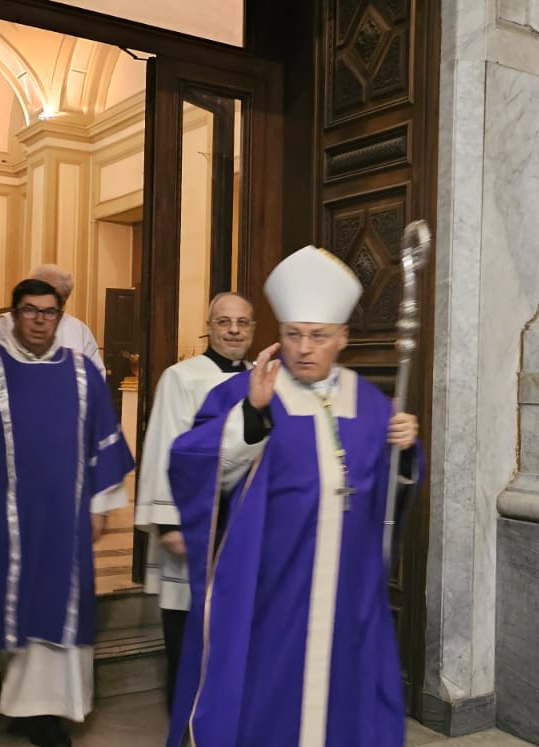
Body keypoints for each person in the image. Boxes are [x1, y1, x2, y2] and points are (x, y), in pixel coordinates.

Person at [164, 246, 423, 747]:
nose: (304, 348)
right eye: (293, 335)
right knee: (266, 700)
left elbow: (389, 500)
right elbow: (194, 468)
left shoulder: (371, 403)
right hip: (269, 588)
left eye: (319, 337)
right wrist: (254, 416)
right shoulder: (247, 391)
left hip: (348, 590)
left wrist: (406, 453)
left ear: (342, 338)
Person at [0, 278, 135, 747]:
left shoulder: (82, 372)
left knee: (53, 601)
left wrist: (99, 505)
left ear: (61, 316)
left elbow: (102, 441)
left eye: (48, 312)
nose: (38, 320)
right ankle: (2, 685)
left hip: (63, 520)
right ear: (12, 315)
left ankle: (44, 710)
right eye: (29, 310)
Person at [133, 292, 256, 709]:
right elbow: (164, 447)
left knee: (235, 628)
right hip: (195, 522)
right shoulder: (182, 377)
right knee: (188, 628)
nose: (234, 330)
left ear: (253, 329)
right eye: (224, 322)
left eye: (242, 322)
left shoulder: (265, 377)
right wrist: (170, 524)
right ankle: (184, 716)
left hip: (244, 524)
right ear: (210, 327)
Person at [0, 264, 105, 374]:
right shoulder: (4, 324)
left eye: (60, 302)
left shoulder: (79, 330)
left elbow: (96, 374)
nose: (40, 320)